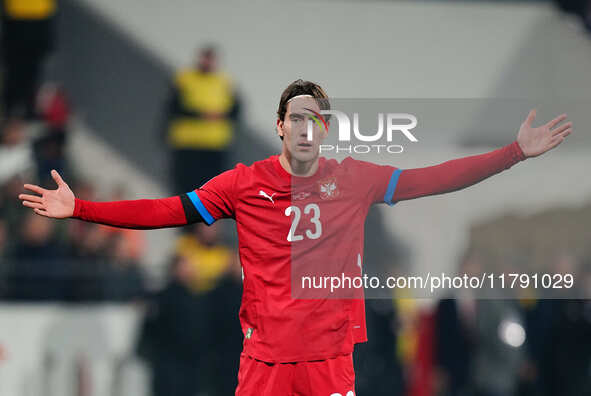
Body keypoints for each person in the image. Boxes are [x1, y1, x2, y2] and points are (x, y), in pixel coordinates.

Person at [18, 80, 572, 395]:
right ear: (281, 126)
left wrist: (514, 153)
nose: (307, 128)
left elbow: (436, 179)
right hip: (263, 362)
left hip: (328, 359)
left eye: (317, 119)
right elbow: (168, 209)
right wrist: (83, 209)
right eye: (296, 118)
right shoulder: (243, 184)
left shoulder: (353, 178)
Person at [162, 45, 241, 194]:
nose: (208, 62)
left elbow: (236, 111)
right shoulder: (185, 79)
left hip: (214, 145)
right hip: (187, 143)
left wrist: (220, 116)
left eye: (211, 59)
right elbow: (173, 107)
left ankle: (207, 217)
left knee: (212, 189)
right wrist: (201, 115)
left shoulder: (225, 82)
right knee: (183, 187)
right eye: (205, 58)